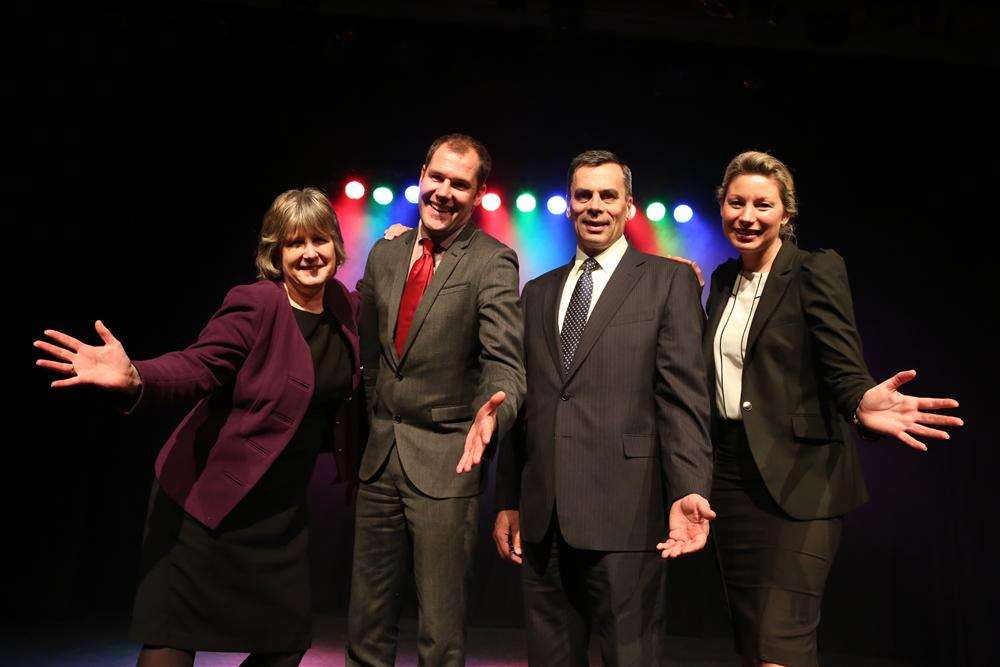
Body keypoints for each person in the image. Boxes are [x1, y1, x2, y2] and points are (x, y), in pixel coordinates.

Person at [34, 188, 364, 667]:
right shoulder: (256, 305)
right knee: (174, 633)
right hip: (206, 499)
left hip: (278, 511)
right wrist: (137, 376)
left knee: (287, 640)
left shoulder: (342, 307)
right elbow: (199, 366)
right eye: (295, 244)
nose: (310, 253)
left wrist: (402, 241)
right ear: (277, 253)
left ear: (336, 245)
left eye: (320, 240)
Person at [696, 151, 963, 667]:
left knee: (781, 642)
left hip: (802, 482)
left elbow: (841, 361)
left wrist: (862, 399)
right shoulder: (724, 281)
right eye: (736, 203)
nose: (747, 216)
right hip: (731, 481)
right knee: (753, 640)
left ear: (786, 216)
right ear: (722, 207)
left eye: (762, 205)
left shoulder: (816, 269)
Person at [493, 150, 715, 666]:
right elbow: (523, 405)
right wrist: (509, 497)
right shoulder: (537, 292)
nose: (595, 206)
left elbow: (683, 399)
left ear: (629, 207)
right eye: (583, 195)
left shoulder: (667, 280)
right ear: (569, 205)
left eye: (607, 195)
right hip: (544, 516)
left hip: (627, 513)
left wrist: (689, 489)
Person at [347, 133, 526, 666]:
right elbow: (375, 357)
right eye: (438, 177)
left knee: (440, 636)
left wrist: (496, 411)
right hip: (380, 461)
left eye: (460, 184)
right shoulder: (386, 252)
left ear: (478, 193)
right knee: (366, 626)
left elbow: (505, 364)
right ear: (421, 173)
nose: (444, 192)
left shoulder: (493, 261)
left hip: (447, 462)